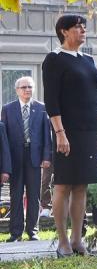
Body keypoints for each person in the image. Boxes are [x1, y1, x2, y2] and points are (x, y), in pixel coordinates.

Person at [41, 15, 97, 257]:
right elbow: (52, 100)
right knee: (63, 184)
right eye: (77, 27)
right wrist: (60, 132)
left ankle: (77, 240)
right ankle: (62, 242)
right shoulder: (54, 60)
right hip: (66, 131)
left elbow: (95, 99)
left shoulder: (88, 60)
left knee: (82, 185)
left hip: (90, 129)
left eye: (84, 26)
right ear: (64, 31)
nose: (83, 30)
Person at [2, 76, 52, 242]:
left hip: (34, 157)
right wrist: (5, 164)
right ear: (17, 90)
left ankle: (33, 231)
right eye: (24, 87)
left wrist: (46, 157)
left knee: (34, 195)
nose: (27, 90)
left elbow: (47, 135)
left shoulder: (41, 108)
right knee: (16, 195)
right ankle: (15, 233)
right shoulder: (7, 109)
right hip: (15, 158)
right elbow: (3, 139)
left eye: (30, 87)